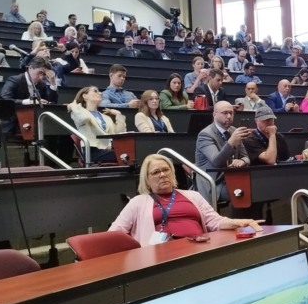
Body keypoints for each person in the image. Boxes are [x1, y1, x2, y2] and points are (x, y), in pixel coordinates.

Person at [108, 154, 261, 245]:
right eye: (155, 172)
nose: (162, 174)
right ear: (147, 180)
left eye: (166, 170)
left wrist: (239, 222)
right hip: (159, 254)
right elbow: (115, 232)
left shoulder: (193, 195)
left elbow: (214, 221)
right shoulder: (138, 202)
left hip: (199, 247)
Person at [194, 101, 252, 203]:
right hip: (214, 183)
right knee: (245, 193)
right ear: (214, 115)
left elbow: (246, 157)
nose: (229, 116)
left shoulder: (234, 131)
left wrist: (242, 161)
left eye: (231, 113)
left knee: (255, 189)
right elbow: (217, 162)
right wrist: (231, 142)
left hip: (232, 179)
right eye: (225, 113)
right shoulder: (205, 135)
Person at [0, 56, 59, 134]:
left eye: (44, 75)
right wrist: (27, 102)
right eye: (40, 73)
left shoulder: (42, 84)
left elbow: (52, 103)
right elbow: (5, 99)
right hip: (15, 119)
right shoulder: (14, 80)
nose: (41, 77)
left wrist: (53, 83)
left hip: (35, 121)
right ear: (30, 68)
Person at [69, 86, 125, 164]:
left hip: (108, 149)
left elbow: (119, 134)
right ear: (85, 96)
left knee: (129, 154)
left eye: (99, 91)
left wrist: (118, 115)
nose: (100, 93)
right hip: (92, 151)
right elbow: (84, 118)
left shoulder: (106, 117)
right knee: (125, 156)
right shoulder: (78, 112)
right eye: (95, 91)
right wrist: (74, 106)